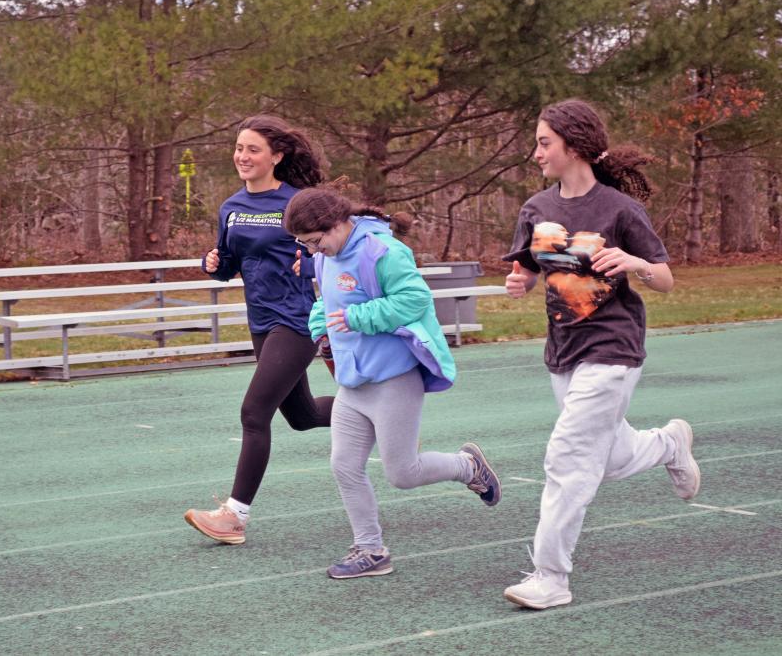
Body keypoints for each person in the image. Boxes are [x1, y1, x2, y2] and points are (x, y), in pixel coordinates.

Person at [501, 99, 700, 609]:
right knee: (605, 456)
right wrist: (520, 283)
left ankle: (551, 576)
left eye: (544, 143)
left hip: (613, 346)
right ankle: (668, 445)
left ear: (573, 146)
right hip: (563, 349)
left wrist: (634, 262)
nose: (536, 153)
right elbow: (529, 269)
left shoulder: (619, 209)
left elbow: (665, 280)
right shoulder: (536, 209)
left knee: (568, 456)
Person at [283, 187, 502, 579]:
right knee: (344, 466)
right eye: (305, 244)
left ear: (335, 224)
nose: (313, 251)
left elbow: (415, 300)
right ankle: (371, 551)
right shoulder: (326, 257)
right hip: (353, 384)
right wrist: (320, 325)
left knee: (403, 473)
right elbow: (329, 302)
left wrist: (358, 318)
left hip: (394, 380)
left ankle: (469, 467)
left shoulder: (383, 252)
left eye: (314, 241)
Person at [184, 115, 334, 545]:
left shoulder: (297, 203)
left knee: (254, 413)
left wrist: (313, 262)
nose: (243, 156)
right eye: (239, 148)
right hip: (262, 322)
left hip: (297, 319)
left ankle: (234, 516)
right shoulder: (231, 208)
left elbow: (332, 250)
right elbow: (229, 265)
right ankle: (378, 411)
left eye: (253, 149)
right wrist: (212, 264)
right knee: (303, 417)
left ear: (277, 156)